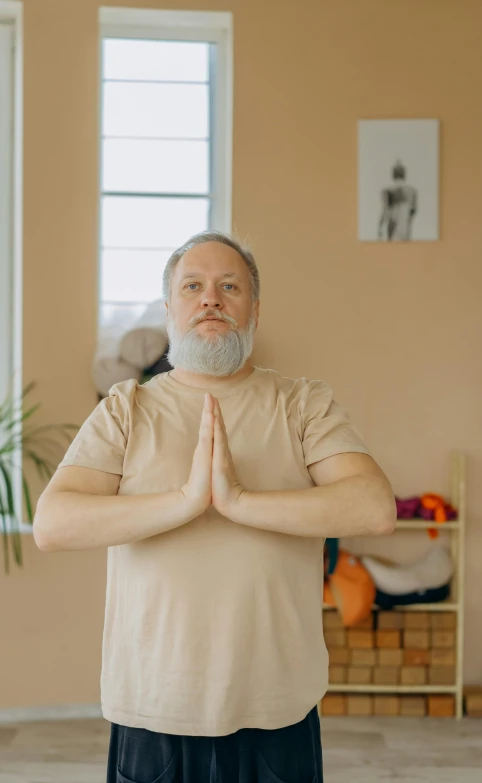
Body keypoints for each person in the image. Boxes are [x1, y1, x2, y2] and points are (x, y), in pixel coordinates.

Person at [33, 230, 397, 783]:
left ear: (254, 308)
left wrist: (240, 501)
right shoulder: (126, 409)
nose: (211, 298)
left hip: (275, 708)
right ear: (170, 307)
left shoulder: (302, 404)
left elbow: (373, 508)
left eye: (230, 285)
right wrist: (184, 501)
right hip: (154, 705)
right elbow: (54, 524)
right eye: (193, 286)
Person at [378, 159, 418, 241]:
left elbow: (385, 211)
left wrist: (380, 228)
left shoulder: (388, 190)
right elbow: (413, 210)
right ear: (404, 174)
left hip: (393, 223)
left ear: (393, 174)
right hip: (405, 226)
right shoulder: (412, 191)